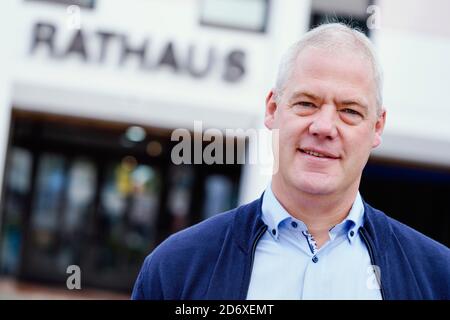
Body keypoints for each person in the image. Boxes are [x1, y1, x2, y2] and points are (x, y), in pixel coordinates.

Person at [131, 23, 450, 300]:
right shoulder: (177, 267)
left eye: (350, 111)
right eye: (307, 103)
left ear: (376, 127)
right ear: (272, 109)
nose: (324, 127)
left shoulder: (438, 278)